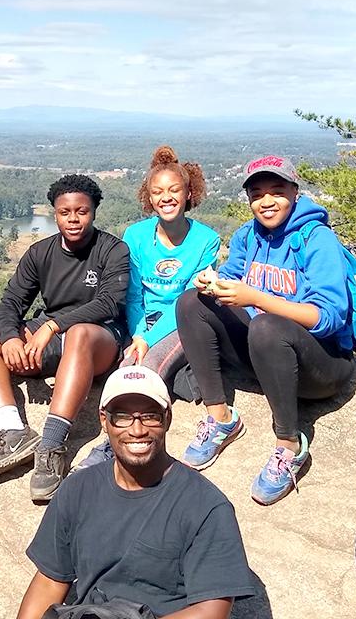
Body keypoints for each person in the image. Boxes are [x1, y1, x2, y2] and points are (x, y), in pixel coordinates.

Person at [176, 154, 356, 505]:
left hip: (322, 365)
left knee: (267, 326)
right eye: (257, 194)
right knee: (190, 302)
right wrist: (212, 282)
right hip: (268, 355)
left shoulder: (316, 239)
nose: (266, 201)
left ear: (295, 192)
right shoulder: (248, 235)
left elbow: (328, 317)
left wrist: (255, 297)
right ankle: (220, 419)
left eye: (277, 190)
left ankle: (289, 445)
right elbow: (233, 274)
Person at [17, 365, 256, 619]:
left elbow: (212, 610)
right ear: (104, 420)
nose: (137, 430)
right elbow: (49, 582)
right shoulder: (77, 490)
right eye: (122, 416)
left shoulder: (205, 506)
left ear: (167, 418)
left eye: (150, 416)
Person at [0, 174, 129, 501]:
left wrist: (53, 327)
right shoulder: (40, 253)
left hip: (99, 338)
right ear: (54, 213)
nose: (73, 219)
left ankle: (53, 445)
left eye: (81, 211)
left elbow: (108, 303)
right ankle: (14, 431)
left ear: (94, 212)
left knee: (79, 334)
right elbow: (11, 303)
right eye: (64, 212)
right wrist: (10, 337)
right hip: (52, 337)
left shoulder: (112, 250)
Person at [77, 145, 220, 471]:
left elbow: (188, 299)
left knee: (147, 366)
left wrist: (148, 339)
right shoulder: (137, 235)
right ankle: (112, 437)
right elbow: (133, 295)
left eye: (174, 190)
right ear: (149, 197)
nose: (166, 198)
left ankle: (112, 447)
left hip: (184, 321)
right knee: (126, 363)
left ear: (188, 193)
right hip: (143, 318)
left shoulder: (206, 240)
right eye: (158, 192)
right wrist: (139, 333)